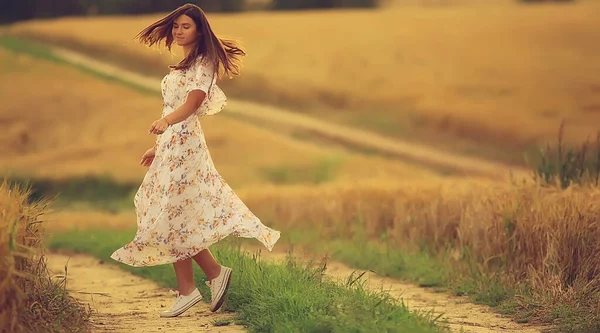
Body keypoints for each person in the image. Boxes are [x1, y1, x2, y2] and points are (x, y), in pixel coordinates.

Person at [110, 3, 281, 318]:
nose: (177, 31)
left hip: (186, 145)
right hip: (174, 144)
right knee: (174, 215)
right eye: (176, 26)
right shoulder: (185, 63)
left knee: (172, 214)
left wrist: (167, 124)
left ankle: (192, 287)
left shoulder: (203, 62)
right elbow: (174, 107)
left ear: (200, 31)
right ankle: (206, 278)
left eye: (185, 26)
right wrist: (158, 145)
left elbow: (193, 101)